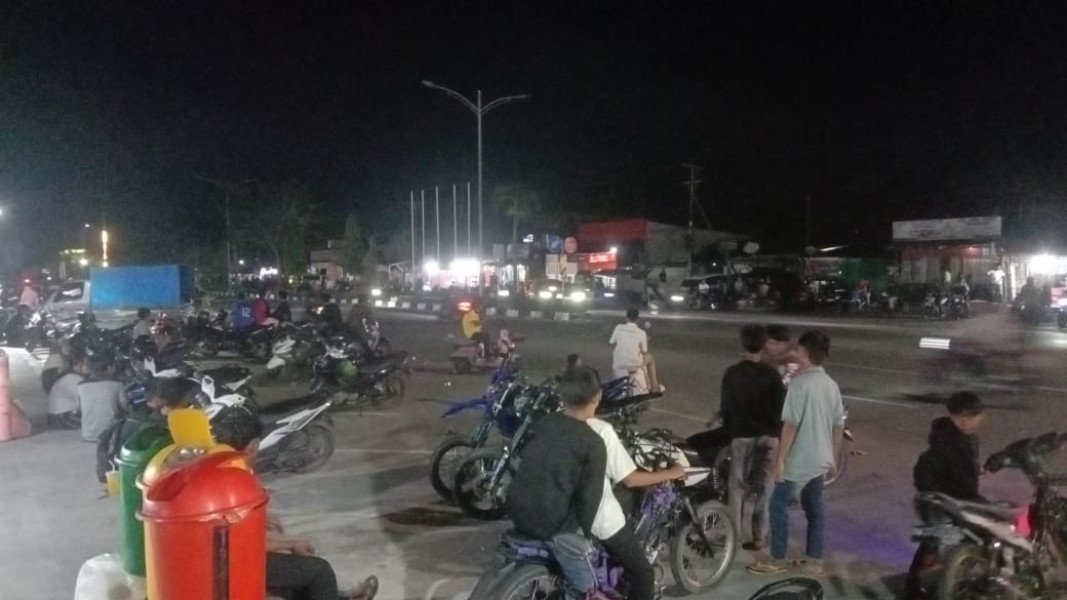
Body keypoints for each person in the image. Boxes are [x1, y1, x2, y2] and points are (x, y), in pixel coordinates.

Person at [210, 407, 379, 600]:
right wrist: (291, 543)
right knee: (319, 571)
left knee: (299, 570)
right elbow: (244, 542)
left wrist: (264, 519)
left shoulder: (214, 463)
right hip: (234, 563)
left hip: (224, 557)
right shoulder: (237, 479)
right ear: (253, 445)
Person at [506, 366, 608, 598]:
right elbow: (589, 500)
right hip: (550, 524)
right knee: (586, 584)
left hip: (518, 510)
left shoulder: (544, 422)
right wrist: (586, 538)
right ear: (597, 396)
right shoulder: (593, 444)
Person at [750, 330, 844, 577]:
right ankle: (814, 560)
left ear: (805, 353)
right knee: (814, 507)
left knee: (777, 505)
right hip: (821, 458)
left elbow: (790, 426)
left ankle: (777, 558)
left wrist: (780, 461)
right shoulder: (831, 385)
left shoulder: (800, 384)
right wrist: (833, 457)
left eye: (798, 349)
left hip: (800, 457)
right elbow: (838, 425)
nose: (795, 352)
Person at [586, 415, 685, 600]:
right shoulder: (601, 430)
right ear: (595, 400)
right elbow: (631, 479)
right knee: (644, 574)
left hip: (562, 512)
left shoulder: (554, 422)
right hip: (597, 520)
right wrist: (671, 473)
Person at [905, 391, 986, 599]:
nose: (966, 421)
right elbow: (931, 472)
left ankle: (921, 584)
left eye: (972, 416)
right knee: (939, 541)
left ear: (981, 416)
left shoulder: (968, 439)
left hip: (956, 498)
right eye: (961, 416)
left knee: (934, 542)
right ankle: (923, 586)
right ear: (951, 415)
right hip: (943, 499)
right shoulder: (947, 441)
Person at [721, 324, 786, 552]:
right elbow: (781, 411)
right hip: (768, 437)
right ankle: (759, 536)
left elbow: (726, 409)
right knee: (764, 487)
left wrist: (729, 433)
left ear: (743, 343)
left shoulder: (733, 374)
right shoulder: (773, 375)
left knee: (737, 487)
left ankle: (734, 536)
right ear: (763, 345)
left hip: (742, 436)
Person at [609, 308, 663, 394]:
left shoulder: (618, 327)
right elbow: (644, 351)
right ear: (638, 319)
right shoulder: (641, 332)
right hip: (634, 365)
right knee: (650, 358)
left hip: (618, 365)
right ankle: (654, 387)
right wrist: (646, 340)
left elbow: (612, 342)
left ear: (626, 318)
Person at [77, 351, 128, 443]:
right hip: (111, 436)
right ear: (109, 368)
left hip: (88, 435)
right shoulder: (116, 384)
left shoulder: (80, 386)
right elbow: (125, 406)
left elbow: (80, 408)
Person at [47, 350, 88, 429]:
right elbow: (84, 401)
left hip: (55, 417)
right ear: (77, 365)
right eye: (86, 364)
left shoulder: (67, 376)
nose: (89, 366)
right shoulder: (74, 379)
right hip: (64, 417)